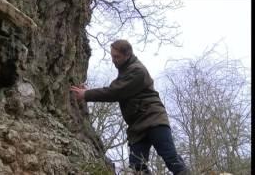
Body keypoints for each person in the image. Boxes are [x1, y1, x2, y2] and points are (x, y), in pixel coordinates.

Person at [70, 40, 190, 175]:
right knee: (137, 167)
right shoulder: (126, 71)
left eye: (117, 57)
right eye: (112, 56)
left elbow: (115, 92)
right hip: (137, 127)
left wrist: (86, 94)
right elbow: (114, 88)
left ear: (127, 55)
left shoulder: (137, 71)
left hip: (154, 120)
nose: (113, 60)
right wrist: (88, 92)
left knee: (171, 159)